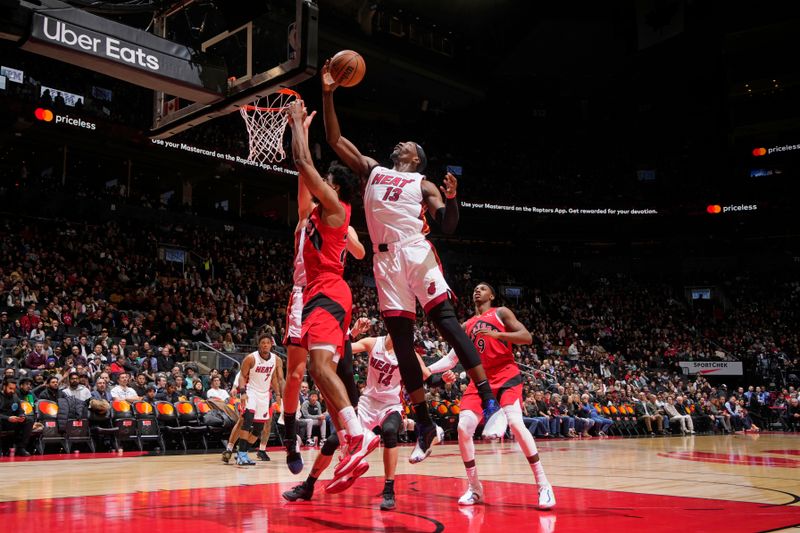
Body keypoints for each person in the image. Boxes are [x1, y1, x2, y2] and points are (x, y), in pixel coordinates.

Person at [321, 61, 502, 463]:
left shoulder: (423, 184)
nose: (400, 144)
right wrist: (330, 92)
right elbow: (334, 138)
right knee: (402, 344)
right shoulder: (373, 170)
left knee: (448, 323)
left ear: (416, 158)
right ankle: (422, 422)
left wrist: (453, 199)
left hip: (415, 250)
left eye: (408, 144)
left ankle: (490, 402)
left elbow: (448, 226)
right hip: (384, 264)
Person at [281, 99, 378, 483]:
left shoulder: (336, 210)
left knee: (318, 371)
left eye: (327, 183)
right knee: (312, 377)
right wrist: (301, 131)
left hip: (325, 293)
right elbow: (304, 177)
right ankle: (340, 439)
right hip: (306, 295)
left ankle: (354, 434)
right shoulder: (310, 217)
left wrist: (295, 128)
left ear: (334, 188)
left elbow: (307, 169)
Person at [424, 282, 555, 509]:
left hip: (505, 374)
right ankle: (475, 488)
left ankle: (543, 485)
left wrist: (498, 334)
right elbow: (451, 360)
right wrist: (426, 370)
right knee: (463, 428)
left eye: (483, 288)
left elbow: (526, 337)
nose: (477, 290)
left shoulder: (501, 312)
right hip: (480, 380)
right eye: (475, 288)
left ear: (492, 295)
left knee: (515, 422)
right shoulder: (466, 325)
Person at [284, 325, 421, 509]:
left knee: (389, 432)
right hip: (367, 403)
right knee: (333, 440)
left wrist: (443, 377)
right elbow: (343, 350)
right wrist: (352, 334)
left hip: (390, 405)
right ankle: (308, 486)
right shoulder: (374, 343)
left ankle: (389, 490)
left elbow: (427, 375)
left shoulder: (407, 353)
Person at [230, 334, 285, 466]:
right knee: (247, 419)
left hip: (264, 395)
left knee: (258, 428)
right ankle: (242, 454)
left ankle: (242, 452)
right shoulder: (250, 358)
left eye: (268, 342)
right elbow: (242, 376)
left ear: (272, 345)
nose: (265, 345)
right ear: (259, 345)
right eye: (263, 343)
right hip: (251, 391)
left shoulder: (276, 360)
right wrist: (242, 393)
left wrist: (279, 395)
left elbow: (278, 379)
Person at [0, 378, 33, 456]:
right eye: (10, 388)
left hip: (13, 421)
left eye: (14, 389)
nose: (12, 391)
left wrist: (21, 416)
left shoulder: (15, 396)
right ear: (4, 387)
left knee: (29, 420)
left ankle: (20, 448)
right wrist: (8, 418)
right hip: (2, 421)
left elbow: (20, 410)